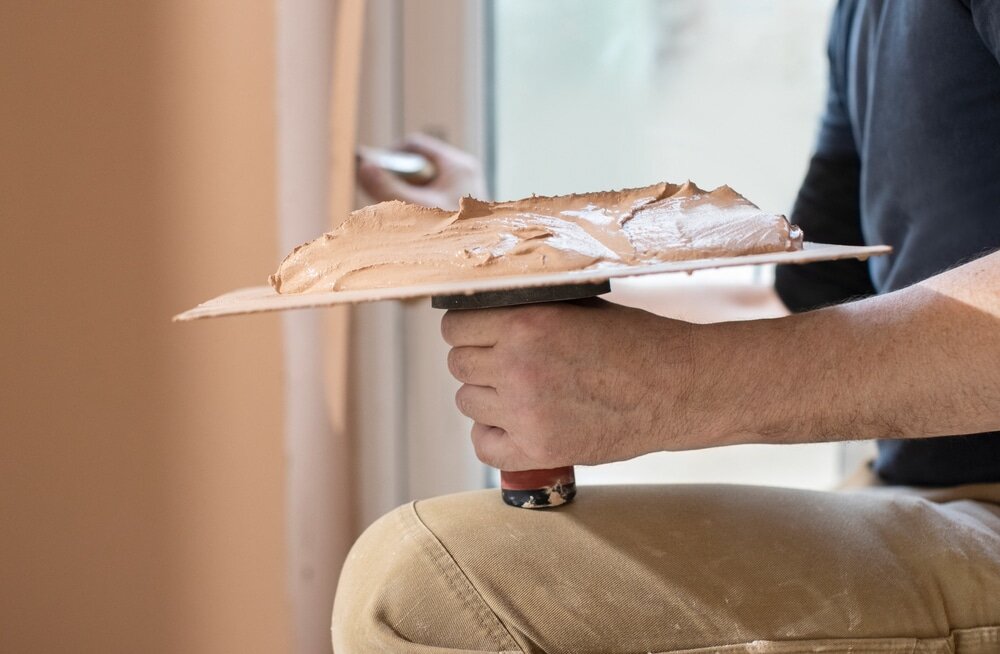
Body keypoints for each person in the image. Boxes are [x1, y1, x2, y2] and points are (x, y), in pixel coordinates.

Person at [335, 1, 1000, 652]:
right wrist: (498, 258)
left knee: (421, 588)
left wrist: (685, 386)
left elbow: (726, 359)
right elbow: (803, 302)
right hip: (917, 483)